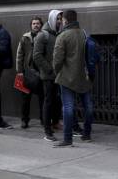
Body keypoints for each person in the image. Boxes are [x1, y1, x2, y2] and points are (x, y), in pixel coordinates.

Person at [52, 9, 93, 147]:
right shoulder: (84, 34)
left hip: (66, 77)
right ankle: (87, 134)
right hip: (84, 76)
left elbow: (57, 60)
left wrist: (57, 72)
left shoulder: (62, 36)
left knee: (68, 108)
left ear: (65, 20)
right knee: (88, 106)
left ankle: (68, 139)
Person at [33, 9, 63, 141]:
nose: (59, 21)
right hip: (48, 75)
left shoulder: (58, 34)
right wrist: (49, 69)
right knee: (48, 101)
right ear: (51, 19)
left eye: (60, 19)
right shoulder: (42, 35)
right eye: (57, 19)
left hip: (58, 74)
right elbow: (37, 56)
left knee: (56, 101)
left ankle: (55, 122)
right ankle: (47, 130)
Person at [16, 16, 44, 129]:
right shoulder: (25, 38)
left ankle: (44, 120)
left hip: (41, 74)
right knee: (25, 99)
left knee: (43, 98)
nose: (36, 25)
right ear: (31, 25)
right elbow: (19, 55)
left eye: (38, 23)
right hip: (26, 73)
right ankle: (24, 120)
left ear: (41, 25)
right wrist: (19, 71)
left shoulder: (45, 37)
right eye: (33, 23)